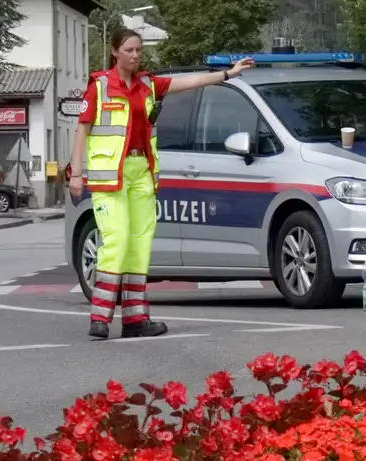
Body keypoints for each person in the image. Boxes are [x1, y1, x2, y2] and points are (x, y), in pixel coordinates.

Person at [68, 28, 255, 339]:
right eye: (129, 49)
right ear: (115, 52)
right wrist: (76, 173)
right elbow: (82, 130)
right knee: (116, 241)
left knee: (140, 244)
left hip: (141, 171)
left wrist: (227, 74)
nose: (135, 55)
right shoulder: (100, 86)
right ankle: (100, 318)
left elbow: (189, 82)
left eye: (139, 50)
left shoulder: (148, 84)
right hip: (109, 176)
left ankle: (135, 319)